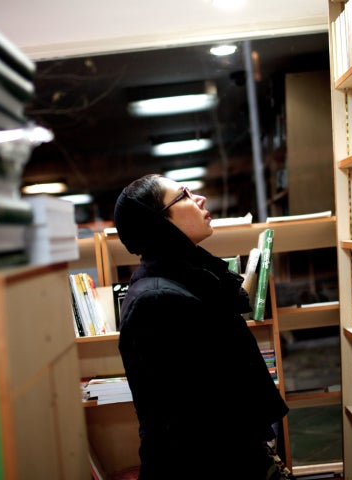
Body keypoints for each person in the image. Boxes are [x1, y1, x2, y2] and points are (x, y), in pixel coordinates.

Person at [113, 173, 289, 479]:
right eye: (184, 195)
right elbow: (190, 419)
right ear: (159, 222)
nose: (200, 199)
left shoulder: (187, 277)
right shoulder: (156, 300)